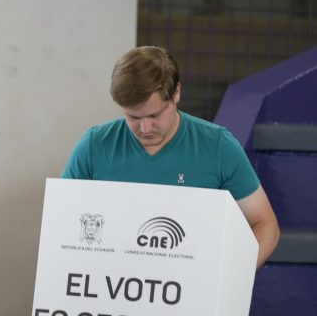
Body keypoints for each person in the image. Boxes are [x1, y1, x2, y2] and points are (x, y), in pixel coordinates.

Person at [61, 46, 279, 268]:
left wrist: (232, 277)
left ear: (176, 93)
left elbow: (264, 224)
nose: (145, 128)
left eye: (155, 115)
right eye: (132, 116)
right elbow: (60, 224)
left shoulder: (218, 147)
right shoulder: (93, 146)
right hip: (110, 291)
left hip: (191, 291)